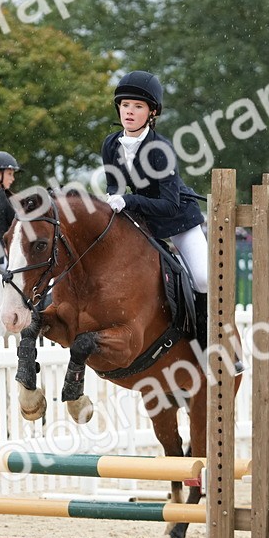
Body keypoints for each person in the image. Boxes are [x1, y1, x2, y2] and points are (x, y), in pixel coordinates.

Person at [101, 70, 210, 349]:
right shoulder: (111, 144)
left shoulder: (160, 148)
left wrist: (130, 201)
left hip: (178, 220)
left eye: (138, 106)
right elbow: (116, 187)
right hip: (145, 222)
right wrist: (112, 200)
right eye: (125, 105)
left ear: (151, 113)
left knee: (203, 278)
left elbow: (169, 204)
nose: (129, 111)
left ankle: (208, 342)